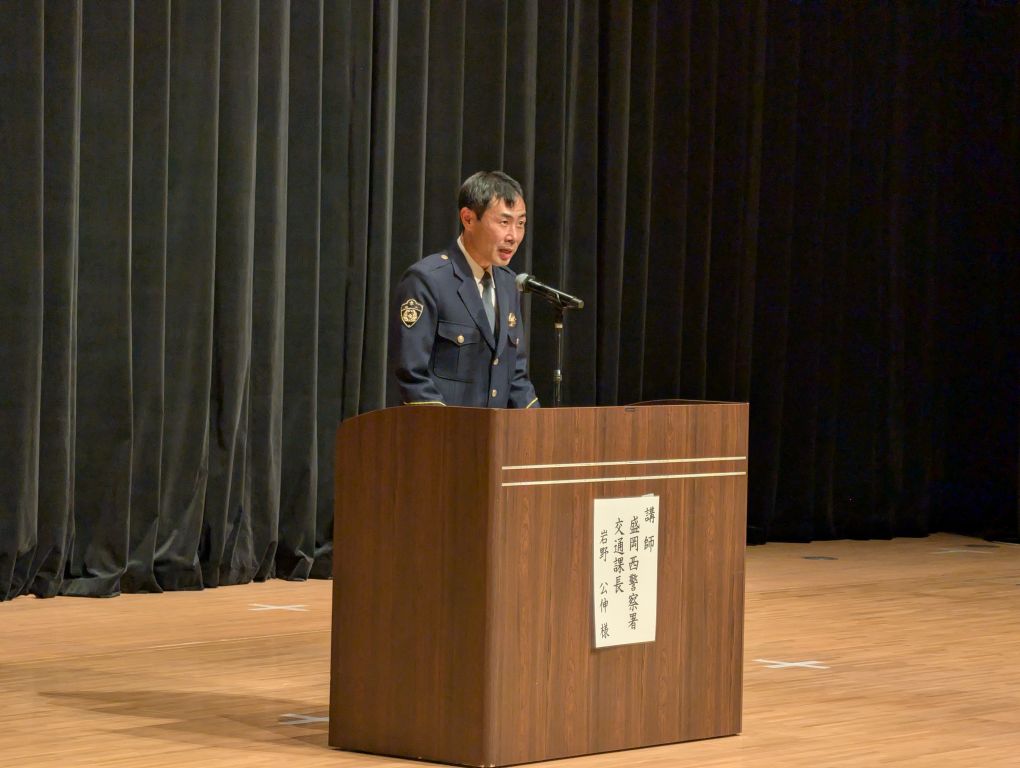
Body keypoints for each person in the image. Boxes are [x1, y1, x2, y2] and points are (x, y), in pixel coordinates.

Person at [388, 171, 540, 408]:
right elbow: (413, 375)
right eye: (504, 222)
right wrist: (449, 428)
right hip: (443, 429)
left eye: (520, 224)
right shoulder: (427, 280)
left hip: (496, 430)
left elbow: (516, 378)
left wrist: (537, 427)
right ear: (468, 219)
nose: (513, 236)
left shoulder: (509, 283)